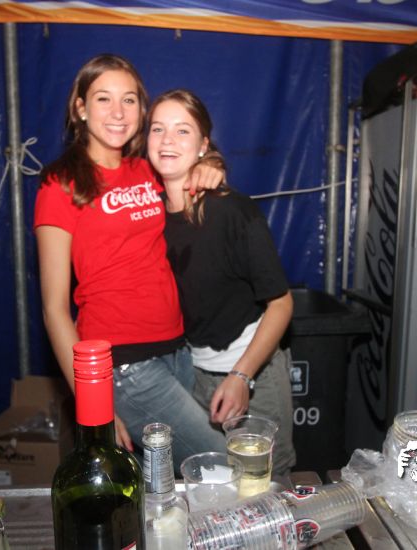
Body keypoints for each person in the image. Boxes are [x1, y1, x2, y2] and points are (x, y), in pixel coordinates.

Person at [34, 55, 225, 467]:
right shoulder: (59, 184)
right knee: (221, 463)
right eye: (103, 99)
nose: (118, 112)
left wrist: (211, 164)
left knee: (176, 483)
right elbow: (54, 310)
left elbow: (194, 162)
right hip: (124, 365)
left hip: (178, 349)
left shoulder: (146, 169)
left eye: (129, 100)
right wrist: (93, 404)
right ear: (80, 108)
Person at [147, 89, 297, 477]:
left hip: (253, 371)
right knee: (208, 484)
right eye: (158, 129)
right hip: (189, 376)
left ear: (203, 145)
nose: (167, 140)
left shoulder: (232, 210)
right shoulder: (146, 216)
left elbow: (281, 304)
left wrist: (242, 376)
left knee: (264, 485)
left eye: (182, 130)